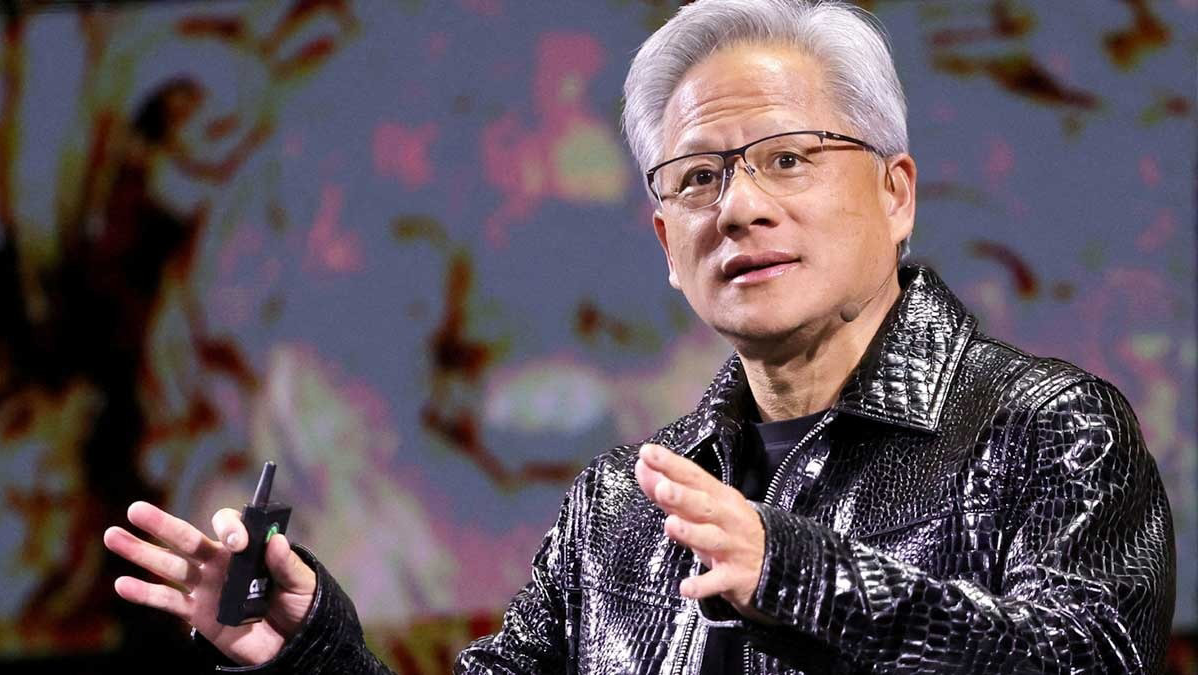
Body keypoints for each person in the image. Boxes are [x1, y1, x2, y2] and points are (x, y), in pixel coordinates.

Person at [104, 1, 1176, 672]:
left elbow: (1087, 659)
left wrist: (795, 571)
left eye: (788, 157)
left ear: (896, 192)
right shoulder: (622, 503)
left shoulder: (1051, 430)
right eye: (698, 178)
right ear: (666, 241)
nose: (738, 208)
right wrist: (309, 650)